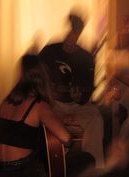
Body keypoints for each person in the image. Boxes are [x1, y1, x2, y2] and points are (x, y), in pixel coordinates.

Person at [38, 12, 104, 168]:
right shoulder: (49, 52)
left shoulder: (86, 58)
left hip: (77, 107)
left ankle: (93, 167)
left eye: (75, 33)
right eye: (69, 32)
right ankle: (57, 164)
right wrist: (47, 91)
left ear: (79, 34)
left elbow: (88, 93)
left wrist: (79, 98)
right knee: (44, 117)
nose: (69, 39)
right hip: (53, 105)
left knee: (96, 118)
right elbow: (34, 76)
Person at [0, 54, 70, 177]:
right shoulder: (39, 105)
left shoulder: (6, 101)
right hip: (21, 171)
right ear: (43, 78)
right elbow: (65, 137)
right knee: (85, 159)